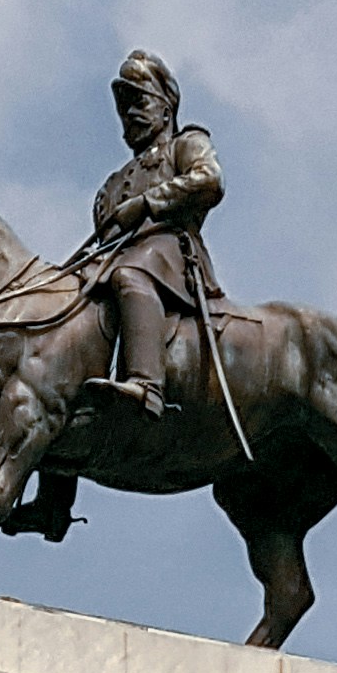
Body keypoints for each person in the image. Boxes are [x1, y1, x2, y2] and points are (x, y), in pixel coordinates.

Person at [72, 49, 227, 425]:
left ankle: (147, 386)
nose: (130, 114)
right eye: (123, 107)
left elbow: (210, 180)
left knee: (130, 273)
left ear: (165, 108)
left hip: (170, 254)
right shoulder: (111, 183)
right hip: (115, 258)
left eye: (139, 101)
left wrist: (146, 204)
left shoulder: (186, 144)